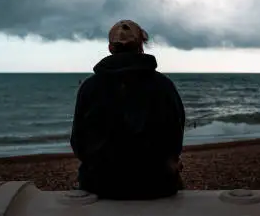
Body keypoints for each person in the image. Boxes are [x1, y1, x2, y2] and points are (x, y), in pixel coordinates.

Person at [70, 19, 186, 200]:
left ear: (110, 48)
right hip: (157, 184)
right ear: (141, 47)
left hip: (100, 185)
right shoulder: (163, 85)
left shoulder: (89, 87)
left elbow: (78, 143)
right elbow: (175, 137)